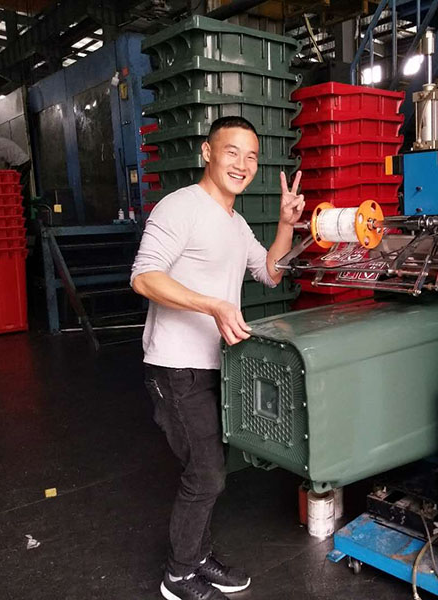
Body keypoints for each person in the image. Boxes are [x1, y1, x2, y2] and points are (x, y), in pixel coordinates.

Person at [130, 116, 305, 600]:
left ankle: (197, 556)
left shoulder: (235, 222)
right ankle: (178, 575)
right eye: (232, 152)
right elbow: (144, 277)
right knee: (206, 473)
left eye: (251, 156)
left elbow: (270, 272)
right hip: (175, 365)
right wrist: (213, 305)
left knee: (208, 471)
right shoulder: (180, 207)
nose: (242, 164)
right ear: (207, 152)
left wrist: (286, 225)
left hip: (216, 366)